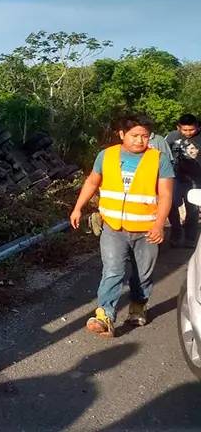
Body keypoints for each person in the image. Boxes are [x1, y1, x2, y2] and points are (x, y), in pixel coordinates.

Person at [70, 114, 174, 338]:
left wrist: (159, 224)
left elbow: (166, 194)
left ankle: (138, 306)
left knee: (142, 274)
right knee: (113, 271)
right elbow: (92, 181)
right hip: (113, 228)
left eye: (145, 136)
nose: (140, 140)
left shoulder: (159, 159)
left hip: (146, 230)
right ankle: (105, 316)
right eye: (134, 135)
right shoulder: (106, 156)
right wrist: (78, 207)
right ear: (121, 134)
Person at [166, 113, 201, 248]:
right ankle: (176, 231)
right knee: (171, 204)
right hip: (175, 177)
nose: (188, 132)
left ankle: (190, 238)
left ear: (197, 127)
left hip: (196, 178)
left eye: (191, 129)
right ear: (178, 127)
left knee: (192, 207)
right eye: (184, 130)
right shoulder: (172, 137)